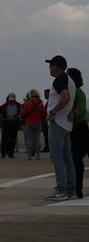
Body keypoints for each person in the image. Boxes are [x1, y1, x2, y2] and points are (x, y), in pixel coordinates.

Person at [45, 55, 77, 201]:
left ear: (57, 66)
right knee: (67, 158)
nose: (49, 68)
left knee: (57, 157)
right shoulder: (70, 80)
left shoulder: (59, 80)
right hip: (66, 125)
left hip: (57, 123)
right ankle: (71, 190)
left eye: (51, 65)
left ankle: (61, 190)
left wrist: (52, 112)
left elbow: (65, 98)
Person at [67, 69, 87, 199]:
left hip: (79, 129)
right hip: (73, 129)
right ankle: (75, 187)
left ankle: (77, 187)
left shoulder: (78, 92)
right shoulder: (72, 92)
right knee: (74, 160)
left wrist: (72, 114)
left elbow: (82, 108)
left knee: (76, 159)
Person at [20, 88, 45, 160]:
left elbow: (23, 113)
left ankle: (29, 156)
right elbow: (43, 113)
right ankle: (38, 156)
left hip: (29, 123)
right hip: (38, 122)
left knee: (29, 139)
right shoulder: (40, 103)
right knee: (37, 139)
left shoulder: (28, 103)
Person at [1, 92, 21, 159]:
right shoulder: (5, 105)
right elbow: (1, 114)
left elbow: (20, 113)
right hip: (6, 122)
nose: (11, 101)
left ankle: (11, 153)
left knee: (13, 139)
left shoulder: (18, 105)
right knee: (4, 138)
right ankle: (3, 153)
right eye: (10, 100)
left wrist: (17, 116)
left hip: (14, 122)